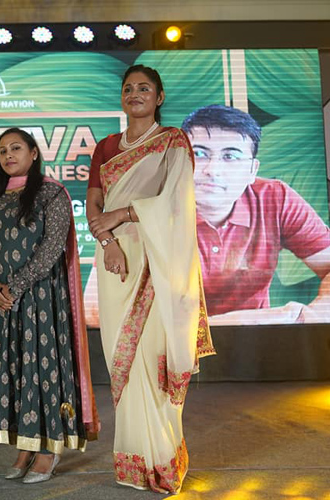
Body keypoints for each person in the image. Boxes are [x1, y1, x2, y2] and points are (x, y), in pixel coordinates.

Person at [85, 65, 215, 493]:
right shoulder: (106, 147)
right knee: (122, 361)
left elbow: (177, 202)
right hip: (117, 262)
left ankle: (163, 460)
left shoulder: (173, 141)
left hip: (160, 262)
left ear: (159, 97)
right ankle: (135, 463)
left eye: (144, 88)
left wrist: (122, 215)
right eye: (128, 88)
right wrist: (109, 243)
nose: (135, 93)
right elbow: (94, 203)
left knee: (155, 358)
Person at [0, 128, 100, 484]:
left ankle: (48, 449)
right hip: (2, 304)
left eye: (16, 148)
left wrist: (15, 286)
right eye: (2, 151)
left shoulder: (51, 193)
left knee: (42, 370)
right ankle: (25, 445)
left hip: (40, 300)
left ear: (34, 153)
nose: (8, 155)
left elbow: (52, 247)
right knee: (13, 369)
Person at [181, 104, 330, 325]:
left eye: (230, 156)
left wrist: (312, 315)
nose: (212, 170)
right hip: (173, 341)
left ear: (252, 170)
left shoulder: (275, 199)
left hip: (257, 338)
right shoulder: (151, 208)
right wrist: (249, 320)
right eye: (199, 154)